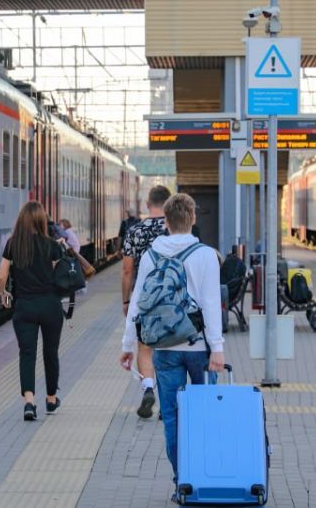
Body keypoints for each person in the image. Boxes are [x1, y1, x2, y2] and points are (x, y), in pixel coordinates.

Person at [119, 193, 224, 496]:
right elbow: (211, 305)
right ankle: (204, 476)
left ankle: (182, 482)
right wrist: (217, 348)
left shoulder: (151, 255)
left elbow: (138, 303)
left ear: (165, 221)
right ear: (193, 218)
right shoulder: (206, 255)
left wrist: (128, 344)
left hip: (164, 348)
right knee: (204, 414)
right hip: (199, 347)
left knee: (172, 418)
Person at [0, 201, 65, 422]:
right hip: (50, 306)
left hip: (24, 306)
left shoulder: (13, 244)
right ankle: (51, 399)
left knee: (27, 353)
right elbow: (60, 276)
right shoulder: (52, 245)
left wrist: (3, 294)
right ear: (41, 221)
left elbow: (2, 275)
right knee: (50, 352)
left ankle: (29, 402)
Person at [122, 184, 172, 419]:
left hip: (144, 299)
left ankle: (148, 388)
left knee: (145, 347)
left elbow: (127, 270)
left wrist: (126, 301)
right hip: (172, 298)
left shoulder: (135, 230)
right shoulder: (175, 229)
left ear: (147, 204)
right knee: (169, 349)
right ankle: (167, 402)